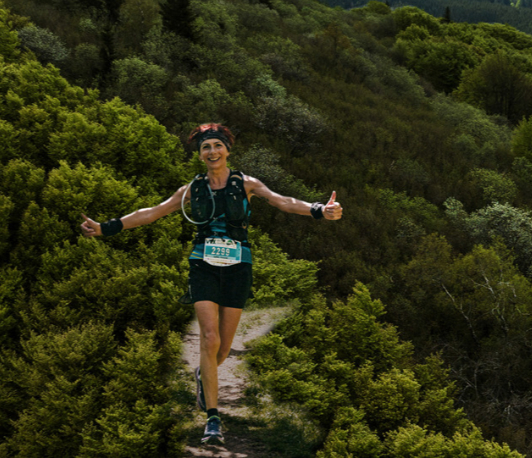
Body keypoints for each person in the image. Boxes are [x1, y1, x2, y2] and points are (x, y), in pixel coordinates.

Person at [80, 123, 341, 445]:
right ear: (200, 153)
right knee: (209, 337)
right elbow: (153, 212)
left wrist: (320, 210)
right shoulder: (192, 189)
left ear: (228, 150)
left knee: (223, 348)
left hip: (238, 267)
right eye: (206, 147)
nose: (212, 151)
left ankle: (205, 375)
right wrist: (108, 228)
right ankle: (213, 420)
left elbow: (283, 201)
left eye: (218, 145)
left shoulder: (247, 183)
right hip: (202, 264)